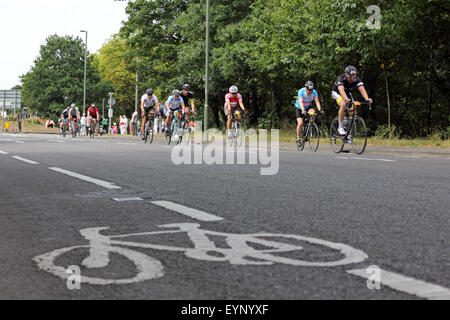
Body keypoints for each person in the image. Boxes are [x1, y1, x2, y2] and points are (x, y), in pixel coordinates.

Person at [332, 66, 372, 142]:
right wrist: (346, 99)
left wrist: (367, 99)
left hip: (347, 93)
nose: (352, 79)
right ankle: (340, 127)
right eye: (350, 77)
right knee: (343, 104)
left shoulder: (356, 79)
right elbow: (341, 90)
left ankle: (349, 134)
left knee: (353, 110)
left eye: (354, 77)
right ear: (346, 75)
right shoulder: (340, 78)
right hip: (337, 92)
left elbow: (362, 89)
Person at [295, 81, 324, 147]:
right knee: (300, 123)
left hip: (308, 107)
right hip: (299, 107)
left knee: (313, 113)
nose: (310, 91)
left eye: (311, 90)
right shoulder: (301, 91)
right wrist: (302, 109)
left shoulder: (314, 92)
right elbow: (300, 102)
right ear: (306, 88)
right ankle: (298, 138)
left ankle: (311, 127)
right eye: (309, 90)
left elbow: (317, 102)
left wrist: (320, 109)